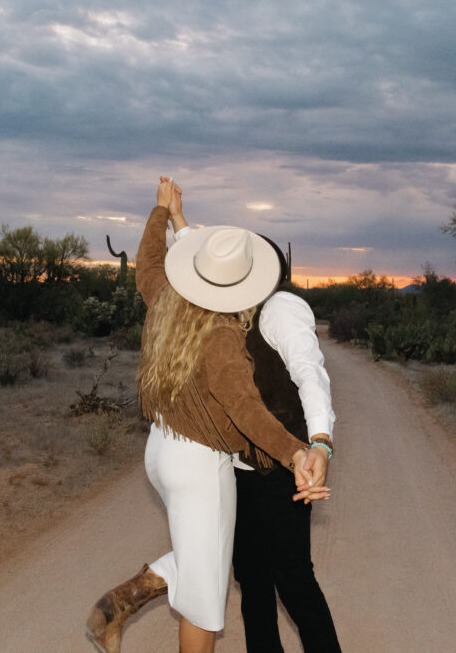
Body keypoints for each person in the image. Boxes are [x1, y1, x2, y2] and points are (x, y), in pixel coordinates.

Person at [85, 178, 329, 653]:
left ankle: (123, 598)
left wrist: (164, 213)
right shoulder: (221, 337)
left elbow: (149, 265)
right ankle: (123, 600)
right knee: (204, 598)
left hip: (161, 451)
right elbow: (246, 411)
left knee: (214, 558)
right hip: (200, 468)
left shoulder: (167, 301)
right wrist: (298, 452)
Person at [171, 203, 341, 652]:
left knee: (293, 581)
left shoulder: (280, 309)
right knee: (251, 579)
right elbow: (199, 259)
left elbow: (310, 373)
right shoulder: (228, 312)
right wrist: (177, 218)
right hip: (238, 470)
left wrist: (320, 442)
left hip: (285, 466)